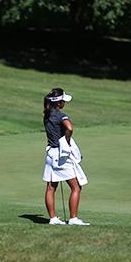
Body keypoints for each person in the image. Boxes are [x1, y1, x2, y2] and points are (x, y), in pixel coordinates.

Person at [42, 88, 89, 226]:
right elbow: (70, 128)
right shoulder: (61, 115)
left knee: (51, 188)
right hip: (61, 155)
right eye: (63, 101)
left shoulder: (47, 114)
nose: (64, 103)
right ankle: (73, 218)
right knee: (76, 187)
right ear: (59, 103)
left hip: (50, 154)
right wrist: (66, 141)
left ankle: (53, 218)